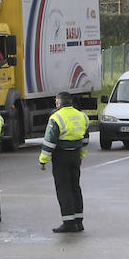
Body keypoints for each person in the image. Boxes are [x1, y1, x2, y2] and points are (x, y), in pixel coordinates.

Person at [40, 90, 89, 233]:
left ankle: (68, 222)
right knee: (75, 188)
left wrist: (43, 160)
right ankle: (79, 221)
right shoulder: (82, 116)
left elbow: (50, 141)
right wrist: (81, 155)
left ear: (58, 102)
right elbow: (85, 140)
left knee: (64, 189)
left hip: (61, 157)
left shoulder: (56, 117)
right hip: (75, 156)